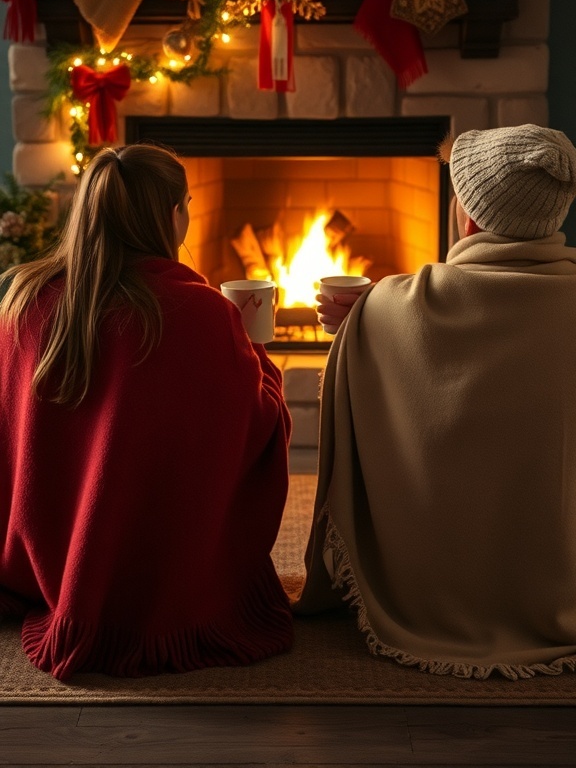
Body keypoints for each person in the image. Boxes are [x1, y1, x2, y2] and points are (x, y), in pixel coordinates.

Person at [0, 143, 293, 681]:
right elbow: (253, 428)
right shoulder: (201, 314)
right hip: (168, 585)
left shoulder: (23, 298)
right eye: (186, 204)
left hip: (47, 559)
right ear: (171, 215)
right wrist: (258, 364)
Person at [295, 123, 576, 680]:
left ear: (467, 217)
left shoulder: (394, 305)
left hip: (427, 596)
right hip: (556, 584)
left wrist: (360, 319)